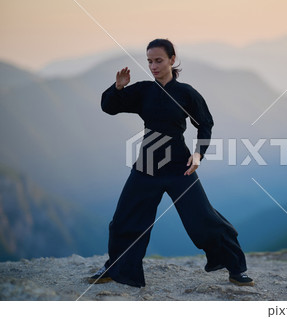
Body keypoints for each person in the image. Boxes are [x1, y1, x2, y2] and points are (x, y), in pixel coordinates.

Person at [88, 38, 254, 288]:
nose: (153, 66)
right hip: (147, 166)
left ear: (172, 60)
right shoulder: (143, 90)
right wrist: (118, 87)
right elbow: (109, 107)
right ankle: (115, 266)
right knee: (125, 218)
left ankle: (236, 269)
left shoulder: (186, 93)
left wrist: (198, 154)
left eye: (158, 60)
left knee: (204, 219)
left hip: (179, 167)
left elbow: (205, 123)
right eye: (149, 61)